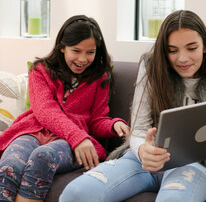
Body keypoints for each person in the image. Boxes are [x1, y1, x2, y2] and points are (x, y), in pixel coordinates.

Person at [60, 10, 206, 202]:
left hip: (194, 165)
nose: (182, 58)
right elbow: (137, 129)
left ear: (204, 46)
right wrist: (144, 151)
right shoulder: (151, 66)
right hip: (140, 161)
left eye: (191, 48)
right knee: (76, 192)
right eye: (172, 50)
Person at [0, 15, 129, 202]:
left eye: (90, 52)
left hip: (67, 143)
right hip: (34, 132)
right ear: (62, 48)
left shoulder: (100, 77)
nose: (83, 59)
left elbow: (96, 120)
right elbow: (45, 110)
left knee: (43, 157)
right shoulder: (40, 70)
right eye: (76, 50)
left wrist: (113, 125)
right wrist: (77, 137)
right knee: (9, 166)